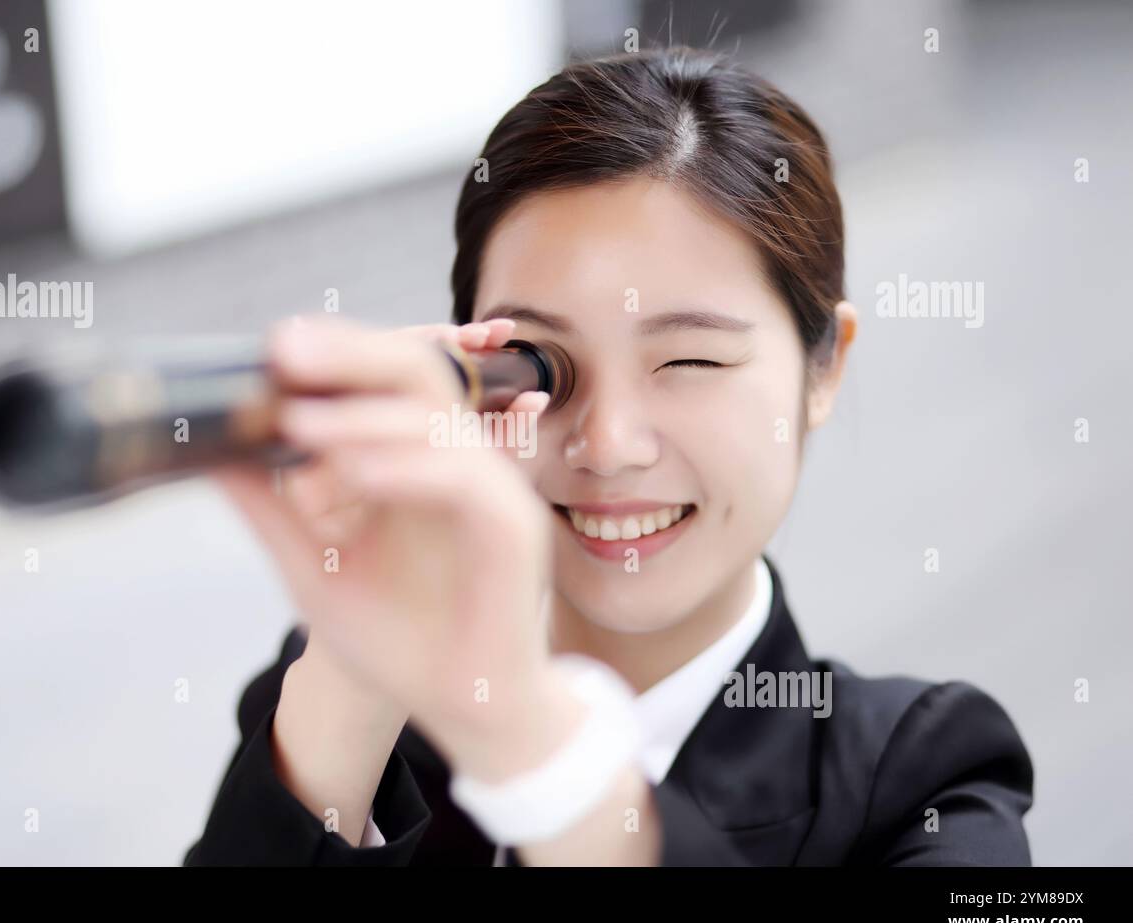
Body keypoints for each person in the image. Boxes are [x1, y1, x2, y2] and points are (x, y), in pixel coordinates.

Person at [183, 46, 1033, 866]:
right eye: (539, 366)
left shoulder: (931, 779)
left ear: (825, 366)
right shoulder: (351, 681)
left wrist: (540, 754)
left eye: (690, 360)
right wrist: (352, 675)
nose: (608, 445)